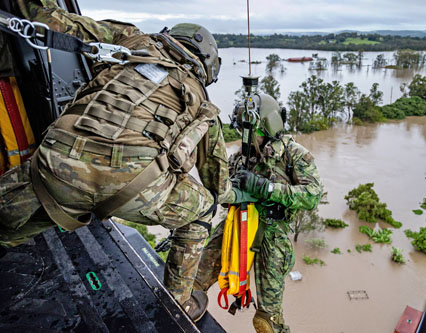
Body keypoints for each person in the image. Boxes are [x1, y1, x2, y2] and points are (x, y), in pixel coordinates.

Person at [0, 0, 240, 321]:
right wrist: (235, 195)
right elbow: (218, 185)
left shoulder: (132, 40)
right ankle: (179, 306)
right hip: (132, 190)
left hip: (58, 166)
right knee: (199, 215)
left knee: (11, 220)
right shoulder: (201, 101)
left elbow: (51, 20)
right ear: (208, 65)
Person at [194, 93, 323, 332]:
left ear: (268, 125)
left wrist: (267, 188)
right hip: (236, 225)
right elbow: (223, 194)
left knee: (266, 321)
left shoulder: (294, 155)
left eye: (250, 131)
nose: (247, 138)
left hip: (272, 235)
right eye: (243, 131)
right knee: (193, 283)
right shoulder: (241, 158)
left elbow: (313, 195)